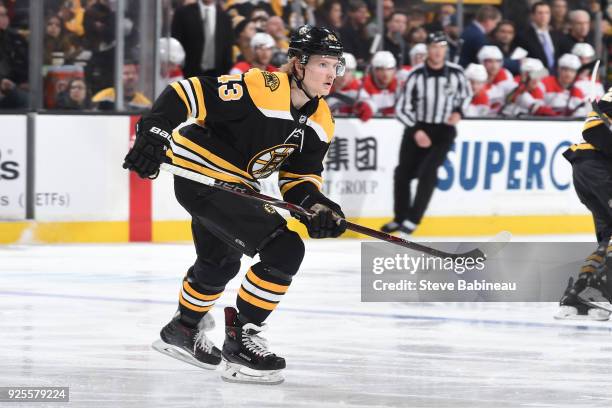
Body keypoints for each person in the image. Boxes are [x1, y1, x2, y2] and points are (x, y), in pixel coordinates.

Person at [122, 25, 347, 384]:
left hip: (236, 186)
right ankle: (242, 338)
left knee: (219, 262)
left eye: (337, 65)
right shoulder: (262, 88)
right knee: (285, 250)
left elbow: (298, 179)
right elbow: (186, 91)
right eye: (323, 64)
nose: (332, 74)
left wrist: (318, 207)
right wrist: (154, 131)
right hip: (204, 179)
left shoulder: (321, 121)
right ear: (298, 64)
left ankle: (183, 328)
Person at [382, 32, 470, 235]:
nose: (438, 51)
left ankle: (413, 220)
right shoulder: (416, 75)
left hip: (443, 131)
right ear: (427, 49)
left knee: (427, 173)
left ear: (446, 50)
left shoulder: (457, 73)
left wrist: (458, 112)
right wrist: (416, 130)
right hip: (418, 127)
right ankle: (400, 217)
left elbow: (466, 95)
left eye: (441, 47)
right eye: (434, 47)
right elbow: (401, 108)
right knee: (402, 173)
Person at [556, 89, 612, 321]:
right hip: (597, 169)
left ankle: (576, 295)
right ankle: (597, 292)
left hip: (592, 170)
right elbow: (593, 129)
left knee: (608, 240)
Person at [362, 50, 399, 116]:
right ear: (373, 70)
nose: (385, 74)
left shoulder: (400, 85)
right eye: (381, 69)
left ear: (394, 70)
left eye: (389, 69)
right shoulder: (363, 85)